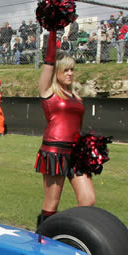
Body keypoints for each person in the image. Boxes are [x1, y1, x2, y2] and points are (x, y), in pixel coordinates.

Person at [35, 27, 94, 228]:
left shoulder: (75, 96)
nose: (70, 73)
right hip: (55, 151)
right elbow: (48, 63)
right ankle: (43, 237)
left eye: (72, 69)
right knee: (52, 203)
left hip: (76, 151)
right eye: (65, 70)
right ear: (57, 72)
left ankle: (71, 232)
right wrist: (53, 32)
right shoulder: (48, 92)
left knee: (88, 200)